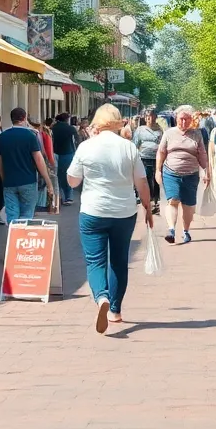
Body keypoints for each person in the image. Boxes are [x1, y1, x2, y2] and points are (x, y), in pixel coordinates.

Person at [68, 104, 152, 333]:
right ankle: (115, 310)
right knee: (118, 261)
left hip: (93, 211)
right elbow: (141, 182)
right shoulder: (128, 147)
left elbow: (72, 181)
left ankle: (101, 297)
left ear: (97, 122)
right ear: (117, 123)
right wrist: (147, 207)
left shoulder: (86, 147)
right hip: (124, 212)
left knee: (95, 261)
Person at [155, 105, 209, 245]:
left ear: (191, 120)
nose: (183, 122)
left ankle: (186, 231)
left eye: (186, 119)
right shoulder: (169, 133)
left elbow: (202, 154)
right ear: (176, 119)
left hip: (191, 174)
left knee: (188, 205)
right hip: (171, 172)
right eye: (181, 119)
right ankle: (171, 230)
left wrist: (206, 171)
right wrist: (158, 170)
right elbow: (161, 152)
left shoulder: (196, 134)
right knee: (173, 200)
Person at [0, 107, 57, 223]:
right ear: (24, 119)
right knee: (27, 214)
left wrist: (4, 179)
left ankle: (13, 237)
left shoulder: (2, 136)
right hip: (28, 181)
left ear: (11, 119)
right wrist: (48, 182)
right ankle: (22, 237)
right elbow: (39, 160)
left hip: (9, 182)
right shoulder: (30, 136)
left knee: (12, 215)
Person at [132, 110, 163, 215]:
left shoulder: (160, 130)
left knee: (156, 180)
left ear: (155, 117)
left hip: (157, 158)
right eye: (147, 117)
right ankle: (148, 201)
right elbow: (135, 144)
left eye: (151, 116)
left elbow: (163, 143)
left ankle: (156, 201)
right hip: (144, 158)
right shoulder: (140, 130)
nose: (149, 118)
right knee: (146, 179)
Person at [52, 112, 79, 207]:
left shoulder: (53, 128)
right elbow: (76, 141)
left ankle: (57, 196)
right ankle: (68, 197)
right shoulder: (71, 128)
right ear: (67, 119)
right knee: (68, 174)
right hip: (68, 153)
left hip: (54, 153)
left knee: (56, 175)